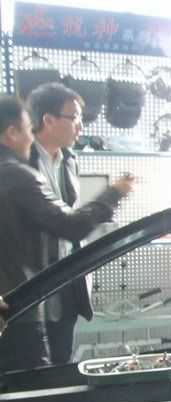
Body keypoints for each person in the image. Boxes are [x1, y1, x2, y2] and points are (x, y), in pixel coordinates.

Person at [0, 94, 132, 372]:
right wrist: (113, 194)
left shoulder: (69, 161)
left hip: (60, 289)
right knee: (36, 383)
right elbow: (70, 224)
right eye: (27, 128)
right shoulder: (18, 173)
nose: (30, 135)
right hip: (23, 300)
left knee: (59, 364)